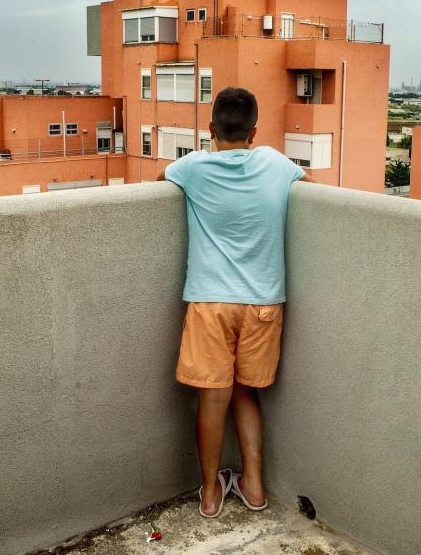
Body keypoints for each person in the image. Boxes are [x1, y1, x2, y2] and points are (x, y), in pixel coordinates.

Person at [157, 86, 313, 518]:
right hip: (264, 302)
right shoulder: (276, 164)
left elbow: (158, 181)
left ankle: (210, 494)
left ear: (211, 129)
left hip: (210, 301)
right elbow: (310, 187)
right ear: (254, 132)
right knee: (246, 394)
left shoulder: (191, 168)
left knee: (213, 398)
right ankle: (256, 488)